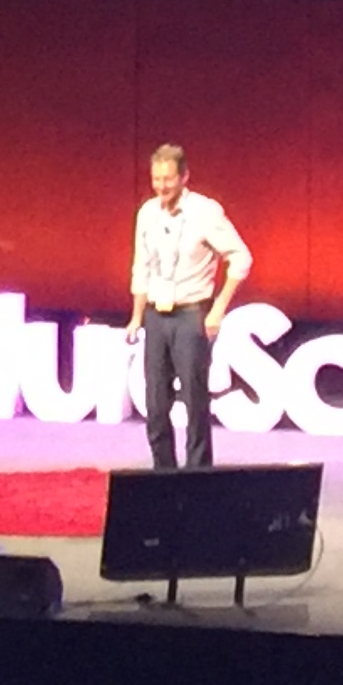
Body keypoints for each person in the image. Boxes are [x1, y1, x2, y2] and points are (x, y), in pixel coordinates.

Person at [123, 142, 251, 469]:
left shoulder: (205, 212)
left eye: (168, 179)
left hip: (192, 315)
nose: (161, 186)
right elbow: (141, 267)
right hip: (156, 315)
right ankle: (164, 473)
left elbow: (241, 257)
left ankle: (197, 475)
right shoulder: (147, 213)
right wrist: (136, 316)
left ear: (184, 177)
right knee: (155, 402)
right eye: (156, 179)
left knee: (195, 402)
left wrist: (218, 308)